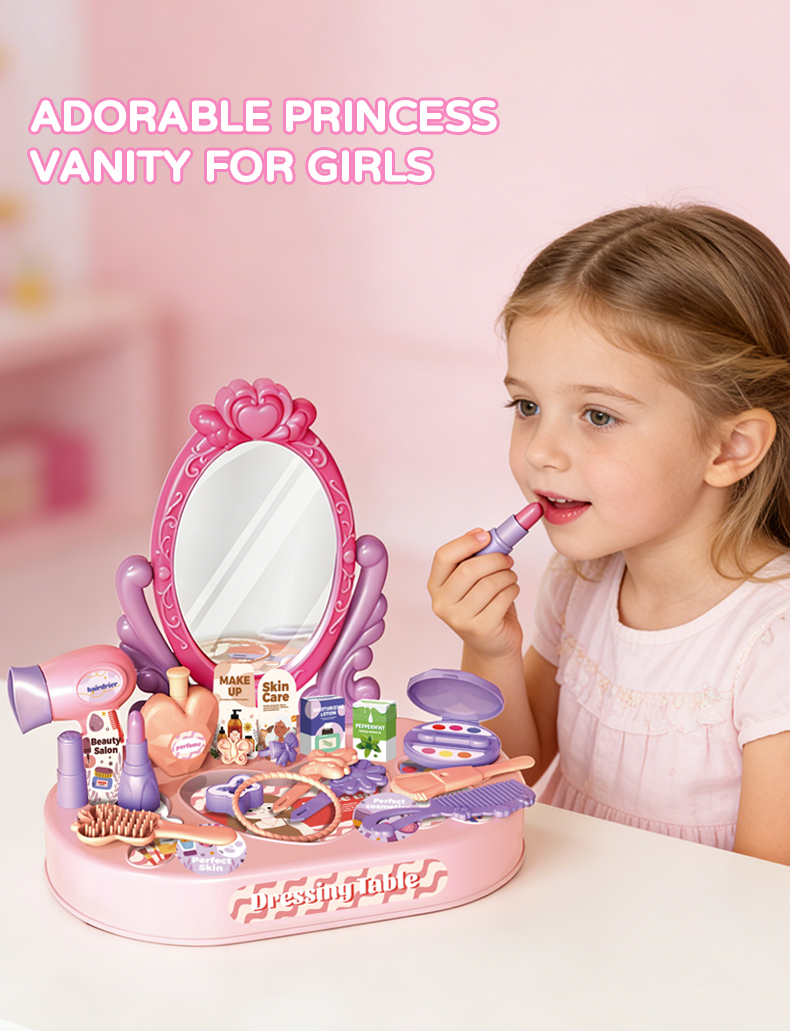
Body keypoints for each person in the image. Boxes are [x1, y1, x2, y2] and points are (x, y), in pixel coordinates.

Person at [428, 204, 790, 863]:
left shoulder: (774, 642)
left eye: (597, 414)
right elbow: (505, 775)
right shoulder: (583, 581)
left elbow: (766, 901)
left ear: (731, 446)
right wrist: (489, 647)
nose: (542, 451)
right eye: (528, 406)